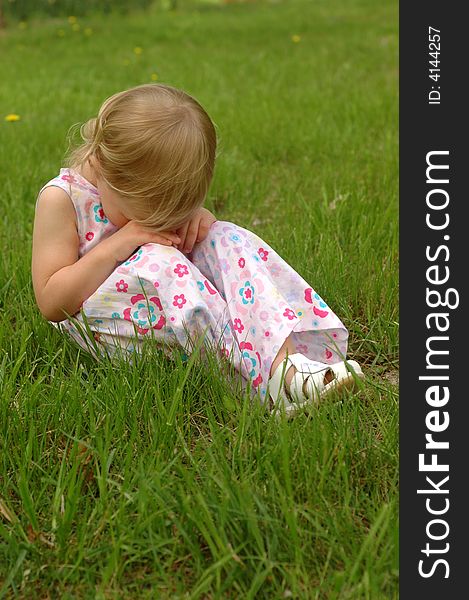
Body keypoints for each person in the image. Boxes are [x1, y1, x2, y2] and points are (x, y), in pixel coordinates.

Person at [31, 83, 364, 418]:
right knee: (160, 258)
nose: (161, 226)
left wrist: (196, 221)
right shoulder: (62, 200)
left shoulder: (148, 183)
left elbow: (189, 238)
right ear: (102, 167)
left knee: (225, 237)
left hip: (169, 305)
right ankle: (257, 388)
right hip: (108, 326)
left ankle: (286, 366)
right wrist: (115, 246)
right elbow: (50, 302)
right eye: (145, 218)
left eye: (174, 215)